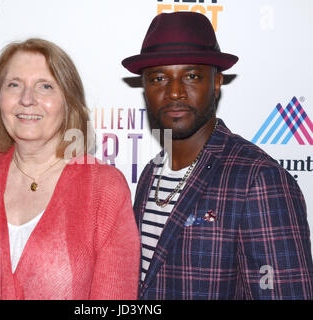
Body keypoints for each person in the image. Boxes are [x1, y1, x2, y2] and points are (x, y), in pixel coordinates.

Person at [0, 38, 140, 300]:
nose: (27, 99)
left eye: (45, 86)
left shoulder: (104, 188)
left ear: (68, 102)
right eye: (14, 85)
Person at [122, 11, 313, 299]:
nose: (174, 92)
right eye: (159, 77)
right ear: (145, 89)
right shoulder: (151, 173)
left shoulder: (258, 178)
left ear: (216, 82)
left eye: (192, 76)